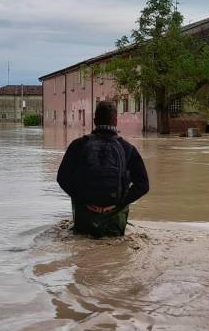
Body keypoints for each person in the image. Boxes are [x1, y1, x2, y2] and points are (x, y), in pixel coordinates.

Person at [56, 101, 149, 237]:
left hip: (84, 215)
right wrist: (118, 203)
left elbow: (62, 178)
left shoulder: (78, 145)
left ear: (94, 121)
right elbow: (143, 185)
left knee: (82, 248)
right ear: (116, 121)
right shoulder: (128, 149)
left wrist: (83, 200)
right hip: (115, 216)